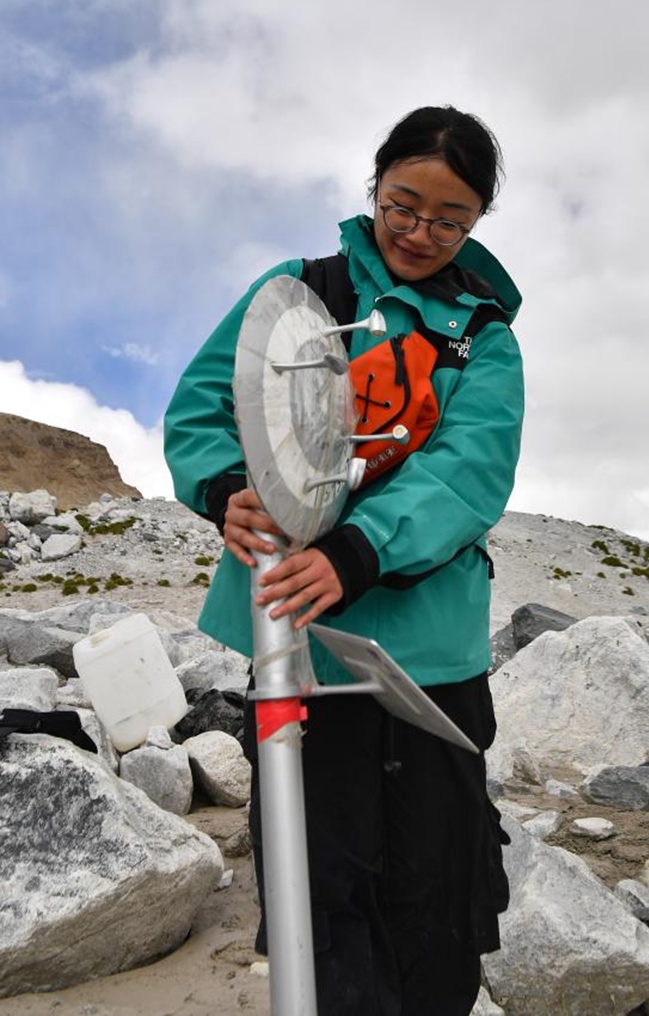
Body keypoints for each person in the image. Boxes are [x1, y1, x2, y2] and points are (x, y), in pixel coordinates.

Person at [164, 105, 524, 1016]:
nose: (420, 233)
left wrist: (361, 550)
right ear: (373, 187)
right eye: (404, 205)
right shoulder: (297, 293)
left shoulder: (483, 337)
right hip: (301, 649)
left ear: (477, 222)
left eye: (451, 221)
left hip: (434, 659)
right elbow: (202, 411)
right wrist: (223, 491)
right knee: (318, 883)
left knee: (439, 890)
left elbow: (468, 473)